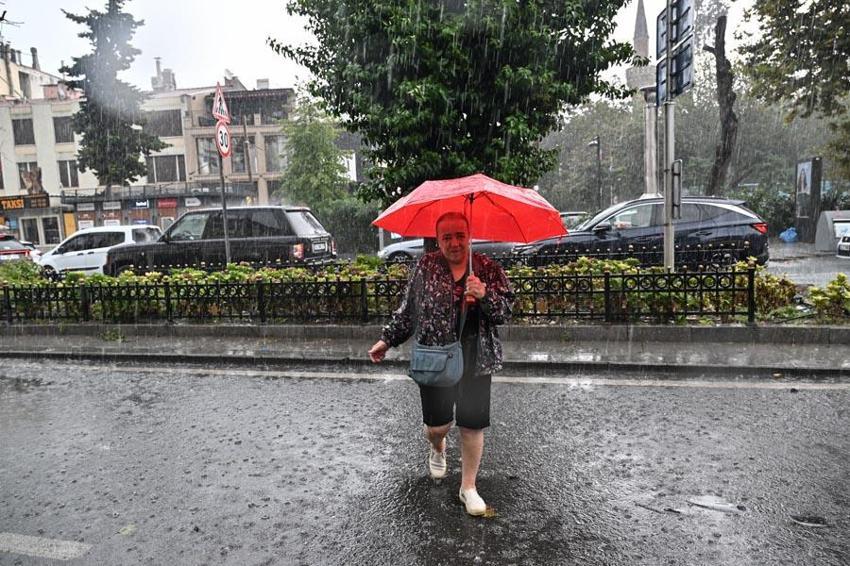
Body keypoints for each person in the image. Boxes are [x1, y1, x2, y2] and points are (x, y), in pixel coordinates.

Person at [368, 211, 513, 516]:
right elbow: (409, 311)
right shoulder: (425, 266)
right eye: (447, 237)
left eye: (460, 235)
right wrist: (387, 340)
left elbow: (504, 313)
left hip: (476, 359)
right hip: (435, 359)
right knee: (438, 426)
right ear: (438, 239)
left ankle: (468, 487)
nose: (454, 243)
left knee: (472, 425)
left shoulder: (487, 268)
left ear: (469, 235)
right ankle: (437, 446)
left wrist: (484, 295)